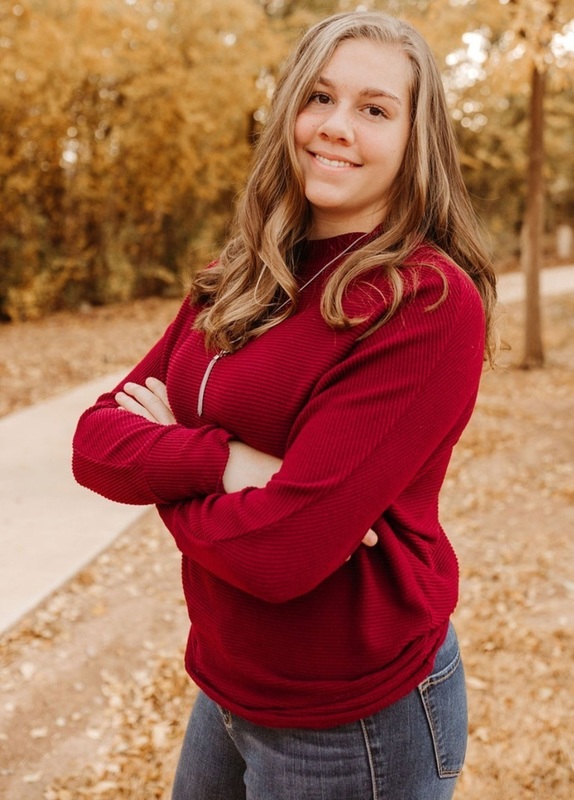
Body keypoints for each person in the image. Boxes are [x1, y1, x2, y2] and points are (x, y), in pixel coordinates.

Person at [72, 9, 497, 799]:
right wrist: (227, 462)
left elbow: (283, 553)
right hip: (227, 684)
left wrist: (162, 468)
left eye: (375, 109)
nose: (337, 127)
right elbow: (93, 442)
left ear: (415, 140)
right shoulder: (242, 268)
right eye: (320, 97)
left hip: (357, 720)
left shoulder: (425, 301)